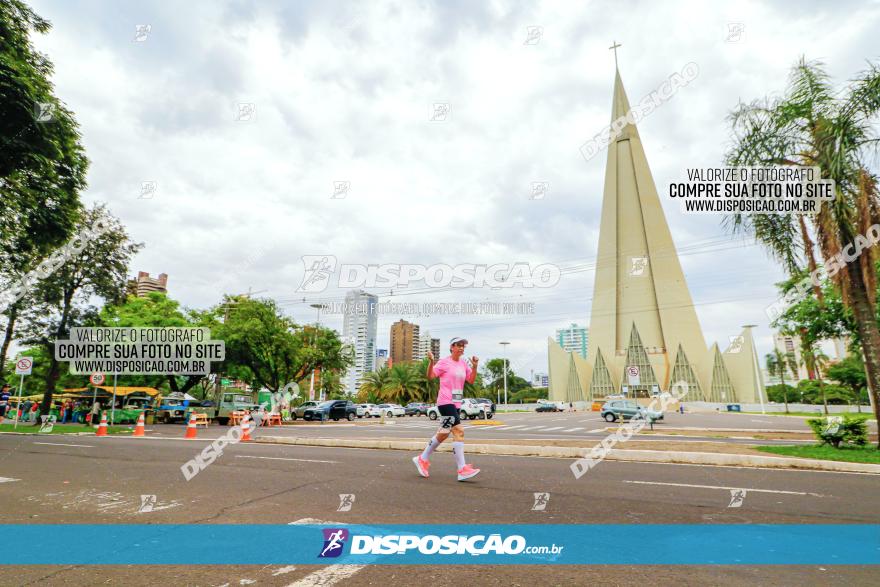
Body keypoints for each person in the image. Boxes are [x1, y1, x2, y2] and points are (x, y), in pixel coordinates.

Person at [413, 337, 480, 481]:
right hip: (445, 402)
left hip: (456, 403)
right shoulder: (444, 362)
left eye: (463, 346)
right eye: (459, 345)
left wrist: (474, 366)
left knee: (443, 433)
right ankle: (462, 469)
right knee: (459, 431)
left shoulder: (463, 363)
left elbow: (471, 380)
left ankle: (422, 458)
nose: (462, 348)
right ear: (452, 347)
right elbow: (430, 376)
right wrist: (431, 362)